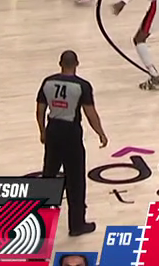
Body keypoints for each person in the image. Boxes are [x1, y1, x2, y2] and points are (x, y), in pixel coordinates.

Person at [37, 50, 107, 237]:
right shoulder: (82, 86)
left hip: (53, 130)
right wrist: (100, 133)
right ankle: (76, 225)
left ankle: (40, 222)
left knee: (49, 176)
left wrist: (42, 131)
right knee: (75, 180)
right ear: (77, 64)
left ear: (60, 63)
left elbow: (40, 109)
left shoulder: (48, 82)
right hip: (71, 133)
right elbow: (90, 113)